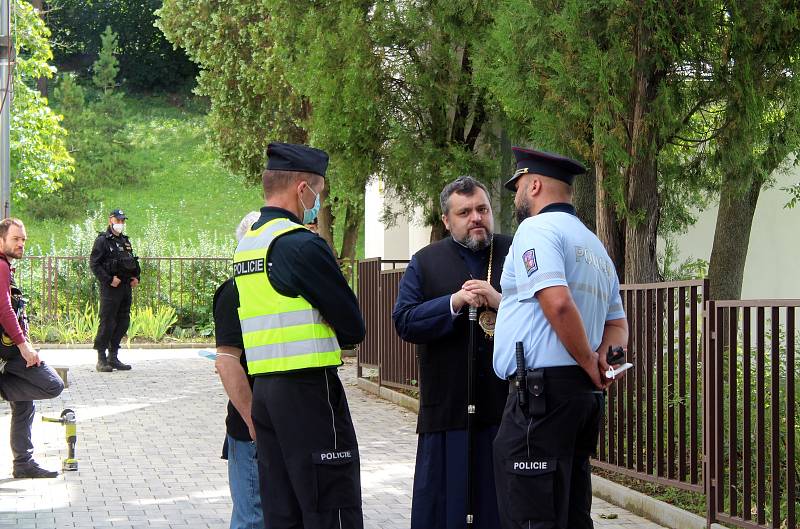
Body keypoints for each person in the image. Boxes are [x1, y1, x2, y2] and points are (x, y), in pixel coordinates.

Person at [492, 147, 629, 529]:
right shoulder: (594, 244)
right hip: (581, 398)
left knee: (531, 513)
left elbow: (558, 303)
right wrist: (602, 360)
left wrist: (589, 360)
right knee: (570, 511)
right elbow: (618, 326)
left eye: (518, 185)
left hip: (541, 398)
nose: (516, 195)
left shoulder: (535, 230)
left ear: (533, 184)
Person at [234, 142, 365, 529]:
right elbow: (353, 326)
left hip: (266, 393)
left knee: (282, 508)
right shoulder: (301, 245)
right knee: (331, 504)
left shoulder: (248, 247)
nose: (317, 204)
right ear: (302, 189)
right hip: (311, 392)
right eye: (318, 194)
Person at [392, 176, 511, 529]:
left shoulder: (514, 252)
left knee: (498, 510)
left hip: (503, 409)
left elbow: (539, 315)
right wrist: (454, 302)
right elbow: (405, 320)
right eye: (465, 212)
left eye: (482, 209)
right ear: (446, 220)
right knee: (446, 511)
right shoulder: (426, 262)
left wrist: (499, 302)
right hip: (446, 409)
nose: (476, 218)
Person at [0, 218, 64, 478]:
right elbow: (4, 308)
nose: (21, 244)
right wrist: (24, 345)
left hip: (10, 351)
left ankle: (23, 464)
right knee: (52, 384)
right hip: (11, 352)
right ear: (1, 239)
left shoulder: (6, 266)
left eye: (23, 239)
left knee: (25, 404)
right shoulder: (1, 266)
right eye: (16, 239)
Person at [213, 211, 265, 529]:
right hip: (251, 431)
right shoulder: (234, 291)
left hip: (282, 422)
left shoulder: (281, 290)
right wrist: (251, 420)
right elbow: (227, 363)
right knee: (253, 518)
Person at [90, 208, 140, 372]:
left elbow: (131, 262)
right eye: (118, 220)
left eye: (122, 221)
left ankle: (113, 357)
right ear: (110, 220)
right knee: (108, 322)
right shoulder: (102, 240)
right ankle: (101, 359)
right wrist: (109, 279)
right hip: (111, 289)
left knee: (122, 322)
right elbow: (94, 264)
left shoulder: (125, 241)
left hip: (125, 287)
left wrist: (136, 277)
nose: (120, 224)